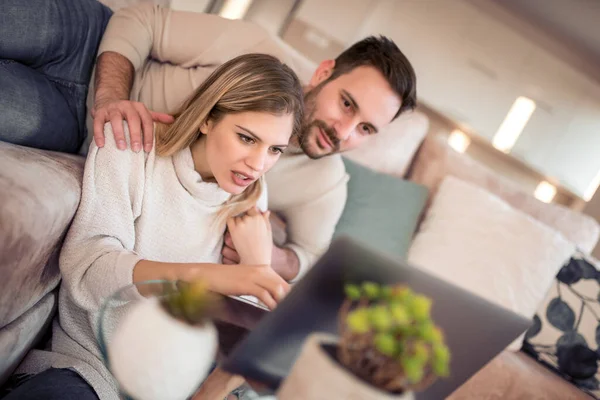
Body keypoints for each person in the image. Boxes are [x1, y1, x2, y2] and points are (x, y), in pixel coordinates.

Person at [3, 53, 304, 400]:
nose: (258, 164)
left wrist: (257, 267)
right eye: (247, 138)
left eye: (275, 149)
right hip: (93, 369)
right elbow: (87, 269)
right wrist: (201, 276)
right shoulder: (133, 146)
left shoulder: (251, 196)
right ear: (208, 119)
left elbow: (233, 344)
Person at [92, 4, 417, 282]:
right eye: (347, 104)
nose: (344, 132)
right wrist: (110, 98)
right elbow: (138, 20)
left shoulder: (324, 182)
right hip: (89, 65)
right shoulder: (254, 49)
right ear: (324, 73)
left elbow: (310, 257)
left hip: (91, 145)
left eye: (365, 129)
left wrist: (269, 256)